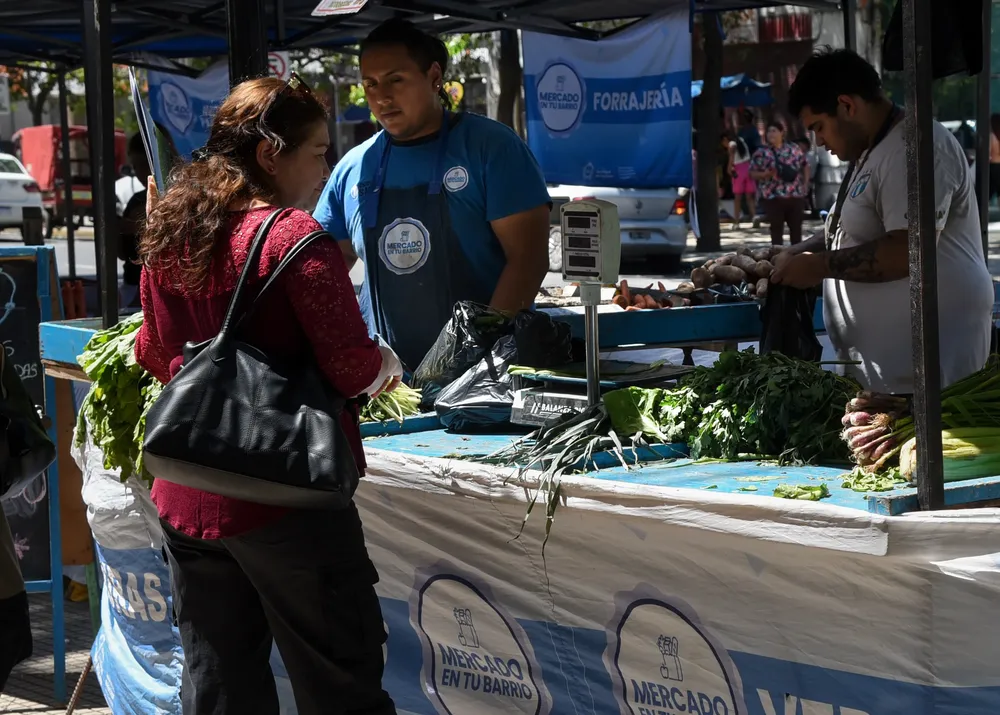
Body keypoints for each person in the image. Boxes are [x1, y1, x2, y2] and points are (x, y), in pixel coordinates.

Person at [135, 76, 401, 715]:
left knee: (221, 684)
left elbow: (151, 352)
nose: (325, 168)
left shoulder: (174, 234)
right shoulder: (293, 238)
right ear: (268, 154)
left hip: (189, 494)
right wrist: (382, 365)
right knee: (340, 683)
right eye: (316, 151)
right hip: (286, 496)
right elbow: (348, 367)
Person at [314, 19, 551, 371]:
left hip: (483, 375)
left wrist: (476, 357)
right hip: (387, 385)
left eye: (396, 80)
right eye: (370, 84)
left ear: (434, 76)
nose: (382, 96)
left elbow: (528, 261)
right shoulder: (354, 167)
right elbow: (323, 273)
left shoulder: (491, 148)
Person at [772, 48, 994, 394]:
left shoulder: (917, 146)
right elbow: (846, 230)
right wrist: (796, 252)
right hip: (886, 380)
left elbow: (907, 251)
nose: (818, 142)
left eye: (819, 127)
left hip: (932, 375)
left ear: (847, 105)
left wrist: (817, 266)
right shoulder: (871, 152)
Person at [749, 120, 807, 246]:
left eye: (774, 131)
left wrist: (806, 185)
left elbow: (805, 165)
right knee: (776, 231)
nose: (771, 134)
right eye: (769, 131)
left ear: (782, 133)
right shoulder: (761, 153)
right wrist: (765, 175)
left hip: (795, 196)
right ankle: (777, 259)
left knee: (796, 231)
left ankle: (797, 259)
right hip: (773, 197)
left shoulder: (794, 149)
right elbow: (752, 173)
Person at [117, 134, 150, 309]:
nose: (141, 172)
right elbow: (123, 253)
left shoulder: (180, 199)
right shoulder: (137, 200)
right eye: (136, 167)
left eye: (145, 165)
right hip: (133, 281)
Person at [727, 129, 756, 227]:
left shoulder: (731, 144)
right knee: (749, 196)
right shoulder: (741, 140)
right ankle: (754, 217)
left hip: (738, 169)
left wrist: (729, 168)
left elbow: (731, 156)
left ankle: (736, 221)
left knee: (737, 198)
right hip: (748, 167)